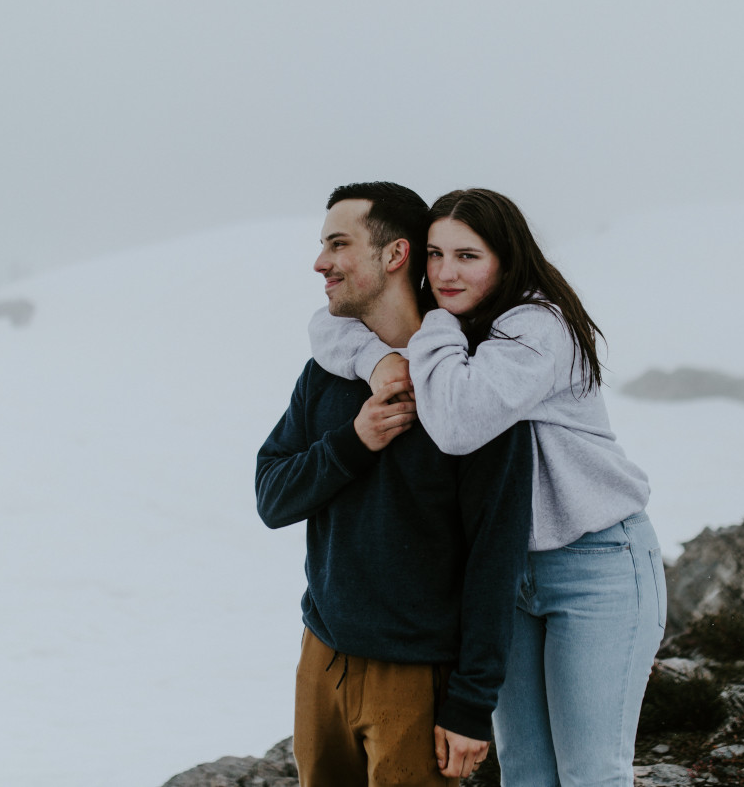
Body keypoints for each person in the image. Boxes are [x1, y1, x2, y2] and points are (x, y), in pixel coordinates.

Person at [309, 187, 665, 787]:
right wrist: (377, 361)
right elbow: (328, 326)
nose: (446, 273)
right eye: (435, 254)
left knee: (591, 774)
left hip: (598, 561)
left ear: (505, 258)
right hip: (510, 575)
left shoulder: (536, 326)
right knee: (525, 771)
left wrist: (435, 325)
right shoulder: (461, 322)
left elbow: (457, 425)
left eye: (467, 256)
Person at [257, 182, 534, 787]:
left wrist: (471, 703)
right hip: (322, 658)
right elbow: (272, 498)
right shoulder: (327, 372)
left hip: (417, 677)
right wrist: (353, 442)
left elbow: (497, 553)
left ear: (394, 255)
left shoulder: (472, 387)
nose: (320, 262)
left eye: (338, 244)